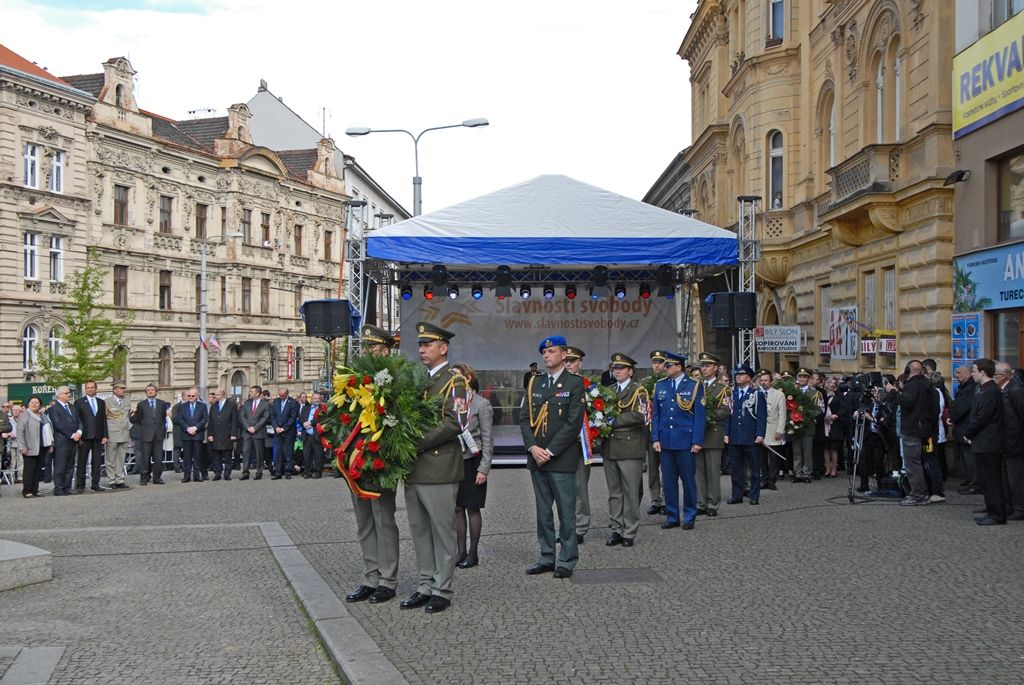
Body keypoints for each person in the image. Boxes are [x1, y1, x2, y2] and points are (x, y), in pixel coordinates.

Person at [400, 322, 467, 614]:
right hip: (415, 468)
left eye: (428, 345)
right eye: (420, 345)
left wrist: (416, 441)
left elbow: (458, 422)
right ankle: (425, 584)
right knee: (419, 531)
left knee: (441, 531)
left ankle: (442, 588)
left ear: (444, 348)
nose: (422, 350)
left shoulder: (455, 381)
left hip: (439, 466)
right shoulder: (418, 380)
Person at [346, 324, 401, 606]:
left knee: (383, 520)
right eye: (367, 347)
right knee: (364, 523)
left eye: (376, 347)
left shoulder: (396, 377)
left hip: (381, 460)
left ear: (386, 349)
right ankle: (370, 576)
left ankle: (388, 580)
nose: (370, 352)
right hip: (357, 462)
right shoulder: (356, 379)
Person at [520, 335, 585, 579]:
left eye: (552, 352)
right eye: (544, 353)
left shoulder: (574, 383)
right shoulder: (535, 383)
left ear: (564, 354)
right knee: (543, 512)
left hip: (561, 458)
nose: (547, 356)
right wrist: (533, 448)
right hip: (537, 457)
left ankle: (567, 559)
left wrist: (549, 451)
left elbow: (573, 423)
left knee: (566, 512)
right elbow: (524, 418)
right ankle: (547, 556)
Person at [651, 352, 706, 529]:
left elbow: (699, 416)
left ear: (678, 367)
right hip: (666, 440)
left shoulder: (694, 385)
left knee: (688, 480)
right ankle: (672, 516)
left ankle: (689, 515)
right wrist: (655, 437)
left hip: (685, 440)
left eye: (668, 365)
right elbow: (656, 415)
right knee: (668, 480)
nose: (665, 368)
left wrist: (697, 440)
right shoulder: (660, 386)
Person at [451, 362, 494, 568]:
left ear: (467, 378)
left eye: (457, 377)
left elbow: (487, 438)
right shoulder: (452, 403)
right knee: (457, 508)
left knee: (472, 508)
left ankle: (473, 553)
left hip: (474, 460)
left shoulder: (481, 404)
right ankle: (460, 551)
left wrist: (484, 468)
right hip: (455, 461)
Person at [603, 353, 649, 545]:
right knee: (615, 492)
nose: (618, 371)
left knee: (630, 491)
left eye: (621, 368)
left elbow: (641, 415)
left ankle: (629, 531)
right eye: (615, 368)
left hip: (629, 446)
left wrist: (614, 421)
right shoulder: (608, 390)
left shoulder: (639, 391)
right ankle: (616, 528)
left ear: (630, 371)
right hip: (610, 447)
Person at [962, 359, 1006, 524]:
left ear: (982, 372)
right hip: (983, 441)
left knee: (992, 479)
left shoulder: (991, 391)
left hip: (989, 442)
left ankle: (996, 514)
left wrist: (969, 433)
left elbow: (983, 417)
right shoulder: (983, 389)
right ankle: (992, 509)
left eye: (974, 371)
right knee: (987, 479)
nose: (972, 374)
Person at [893, 360, 940, 506]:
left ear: (909, 370)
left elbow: (907, 402)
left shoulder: (912, 385)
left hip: (913, 429)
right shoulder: (929, 386)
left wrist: (894, 392)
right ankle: (923, 492)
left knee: (912, 464)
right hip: (924, 428)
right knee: (919, 462)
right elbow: (934, 409)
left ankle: (918, 494)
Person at [724, 364, 767, 505]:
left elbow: (761, 416)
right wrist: (726, 433)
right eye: (737, 374)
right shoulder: (732, 394)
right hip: (735, 437)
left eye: (741, 375)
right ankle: (737, 495)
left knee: (754, 468)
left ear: (749, 378)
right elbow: (728, 415)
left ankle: (754, 496)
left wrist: (760, 434)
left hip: (750, 437)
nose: (738, 377)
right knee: (736, 469)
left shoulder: (756, 394)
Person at [564, 345, 591, 545]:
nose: (569, 364)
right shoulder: (557, 384)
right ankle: (566, 526)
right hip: (561, 444)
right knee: (563, 488)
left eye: (572, 361)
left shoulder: (588, 385)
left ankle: (580, 527)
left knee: (580, 487)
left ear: (579, 363)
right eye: (566, 361)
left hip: (581, 443)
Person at [696, 352, 729, 516]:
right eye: (702, 366)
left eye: (707, 366)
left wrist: (708, 416)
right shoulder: (696, 385)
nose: (704, 369)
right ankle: (700, 502)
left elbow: (726, 409)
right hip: (697, 435)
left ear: (715, 368)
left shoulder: (723, 388)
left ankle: (713, 503)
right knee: (698, 471)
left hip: (713, 433)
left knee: (713, 470)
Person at [995, 362, 1024, 521]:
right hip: (1005, 441)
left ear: (1004, 376)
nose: (994, 378)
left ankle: (1019, 507)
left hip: (1015, 441)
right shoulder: (1003, 390)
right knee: (1007, 477)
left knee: (1016, 477)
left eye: (996, 375)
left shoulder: (1016, 390)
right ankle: (1010, 506)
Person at [71, 380, 109, 492]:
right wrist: (79, 434)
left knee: (97, 462)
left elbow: (103, 420)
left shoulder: (101, 402)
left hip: (98, 436)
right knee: (82, 462)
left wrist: (105, 435)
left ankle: (95, 484)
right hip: (85, 437)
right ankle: (80, 485)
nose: (90, 389)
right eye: (88, 388)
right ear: (85, 389)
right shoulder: (79, 402)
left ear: (96, 389)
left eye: (92, 387)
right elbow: (76, 420)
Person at [129, 384, 169, 486]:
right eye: (148, 390)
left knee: (158, 458)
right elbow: (138, 419)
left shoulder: (162, 404)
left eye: (152, 390)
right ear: (146, 392)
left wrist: (162, 430)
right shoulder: (141, 404)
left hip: (158, 435)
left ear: (156, 391)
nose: (150, 391)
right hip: (146, 434)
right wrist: (131, 415)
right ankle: (144, 477)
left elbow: (163, 418)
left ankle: (157, 477)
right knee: (145, 458)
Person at [644, 350, 669, 515]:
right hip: (650, 433)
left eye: (660, 362)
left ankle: (667, 500)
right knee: (652, 469)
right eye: (655, 362)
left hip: (666, 432)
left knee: (667, 469)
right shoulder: (646, 383)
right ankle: (655, 500)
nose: (657, 365)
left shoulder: (669, 382)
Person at [949, 365, 980, 494]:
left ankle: (975, 483)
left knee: (970, 457)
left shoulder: (970, 388)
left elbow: (962, 407)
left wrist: (953, 416)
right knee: (965, 457)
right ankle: (970, 479)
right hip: (962, 426)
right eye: (956, 372)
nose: (957, 375)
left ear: (968, 374)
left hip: (966, 427)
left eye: (959, 373)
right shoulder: (965, 387)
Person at [47, 386, 82, 496]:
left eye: (69, 393)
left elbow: (79, 421)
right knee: (60, 466)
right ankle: (59, 488)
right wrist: (72, 435)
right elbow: (58, 425)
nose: (69, 395)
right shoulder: (54, 408)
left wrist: (79, 432)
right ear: (60, 395)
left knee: (70, 465)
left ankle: (67, 487)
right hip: (62, 441)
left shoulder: (72, 407)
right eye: (66, 393)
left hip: (73, 441)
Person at [17, 396, 52, 498]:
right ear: (28, 404)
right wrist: (22, 446)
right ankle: (27, 490)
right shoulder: (24, 415)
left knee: (38, 470)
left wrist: (51, 444)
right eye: (32, 402)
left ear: (40, 404)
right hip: (29, 447)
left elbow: (49, 429)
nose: (34, 404)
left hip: (42, 446)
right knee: (29, 470)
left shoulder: (43, 415)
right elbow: (20, 432)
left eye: (37, 403)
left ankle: (35, 489)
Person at [790, 368, 820, 483]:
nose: (802, 379)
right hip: (794, 425)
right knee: (796, 450)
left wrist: (807, 415)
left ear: (809, 379)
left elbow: (819, 409)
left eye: (804, 377)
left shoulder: (814, 393)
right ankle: (797, 472)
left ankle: (806, 473)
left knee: (807, 451)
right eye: (800, 377)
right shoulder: (792, 392)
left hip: (808, 425)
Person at [759, 369, 787, 490]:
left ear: (771, 382)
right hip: (760, 431)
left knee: (773, 457)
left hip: (773, 430)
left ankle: (772, 480)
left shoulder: (779, 395)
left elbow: (782, 414)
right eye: (762, 380)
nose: (763, 382)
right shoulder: (757, 393)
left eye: (766, 380)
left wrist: (780, 430)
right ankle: (764, 479)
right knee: (762, 457)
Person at [173, 387, 208, 483]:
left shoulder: (202, 406)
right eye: (189, 396)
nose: (191, 397)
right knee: (187, 457)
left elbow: (204, 419)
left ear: (197, 396)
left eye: (193, 396)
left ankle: (197, 475)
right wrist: (187, 428)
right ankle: (186, 476)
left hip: (197, 434)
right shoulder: (182, 406)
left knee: (197, 456)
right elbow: (179, 419)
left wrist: (196, 428)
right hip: (186, 434)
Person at [104, 380, 132, 490]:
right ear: (114, 390)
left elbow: (127, 416)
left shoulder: (127, 400)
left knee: (121, 458)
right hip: (112, 432)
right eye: (120, 388)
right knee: (111, 459)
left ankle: (119, 479)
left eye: (123, 388)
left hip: (124, 432)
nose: (122, 390)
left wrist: (129, 426)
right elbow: (105, 418)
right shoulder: (107, 402)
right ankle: (111, 480)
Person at [207, 388, 239, 480]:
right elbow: (211, 421)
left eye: (216, 395)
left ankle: (227, 474)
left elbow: (234, 421)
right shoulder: (213, 406)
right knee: (216, 456)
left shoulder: (231, 405)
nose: (215, 396)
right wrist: (210, 434)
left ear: (222, 395)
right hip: (216, 434)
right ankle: (217, 473)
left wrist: (233, 434)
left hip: (227, 434)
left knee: (228, 455)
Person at [239, 385, 269, 480]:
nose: (250, 393)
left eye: (252, 391)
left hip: (258, 431)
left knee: (259, 452)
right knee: (245, 452)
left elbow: (265, 417)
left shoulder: (265, 404)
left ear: (257, 393)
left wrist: (255, 427)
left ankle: (259, 472)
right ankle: (245, 472)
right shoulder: (247, 403)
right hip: (247, 432)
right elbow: (242, 416)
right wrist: (248, 427)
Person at [270, 387, 299, 480]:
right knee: (278, 452)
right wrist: (276, 427)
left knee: (288, 452)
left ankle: (288, 471)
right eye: (280, 395)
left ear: (287, 394)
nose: (281, 397)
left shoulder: (293, 402)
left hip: (289, 431)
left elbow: (293, 417)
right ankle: (278, 472)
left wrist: (284, 428)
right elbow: (272, 415)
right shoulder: (276, 402)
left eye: (283, 395)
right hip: (277, 431)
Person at [300, 392, 325, 479]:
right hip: (306, 435)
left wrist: (311, 423)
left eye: (318, 398)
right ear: (311, 399)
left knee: (318, 455)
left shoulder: (322, 409)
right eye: (315, 398)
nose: (317, 400)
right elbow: (301, 417)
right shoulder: (306, 408)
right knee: (307, 455)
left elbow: (322, 419)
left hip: (316, 435)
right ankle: (308, 472)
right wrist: (304, 423)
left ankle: (318, 472)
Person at [822, 376, 843, 478]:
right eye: (830, 382)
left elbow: (843, 408)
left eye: (834, 383)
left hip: (835, 424)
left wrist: (836, 415)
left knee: (833, 448)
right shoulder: (823, 394)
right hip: (824, 424)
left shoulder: (839, 395)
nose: (832, 384)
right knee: (826, 448)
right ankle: (827, 468)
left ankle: (834, 468)